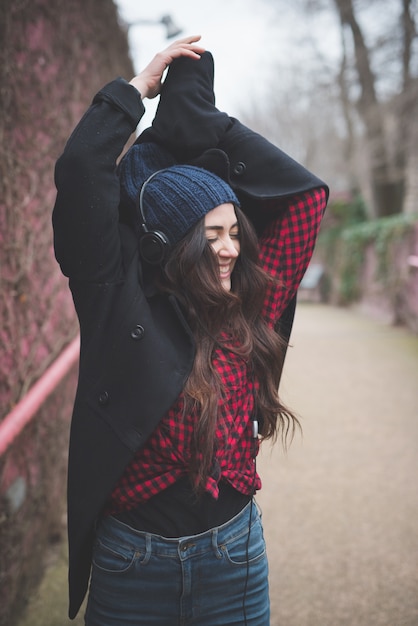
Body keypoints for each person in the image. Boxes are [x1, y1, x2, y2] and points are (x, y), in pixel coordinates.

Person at [53, 35, 328, 626]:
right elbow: (81, 172)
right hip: (132, 567)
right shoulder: (114, 302)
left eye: (235, 231)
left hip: (236, 559)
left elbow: (306, 197)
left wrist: (195, 118)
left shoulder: (251, 305)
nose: (232, 249)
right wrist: (135, 96)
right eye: (213, 236)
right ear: (171, 246)